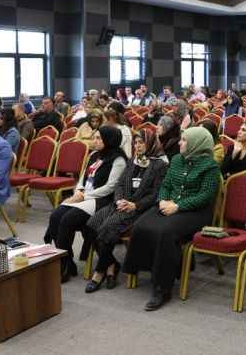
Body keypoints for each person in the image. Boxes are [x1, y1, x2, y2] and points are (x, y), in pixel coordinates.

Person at [123, 127, 221, 311]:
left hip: (195, 211)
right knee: (141, 225)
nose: (180, 143)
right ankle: (148, 268)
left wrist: (178, 206)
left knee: (165, 232)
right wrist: (162, 200)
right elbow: (166, 184)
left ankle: (162, 287)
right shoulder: (176, 159)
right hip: (168, 204)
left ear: (196, 144)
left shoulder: (211, 166)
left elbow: (205, 196)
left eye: (184, 140)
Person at [83, 130, 169, 292]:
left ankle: (99, 272)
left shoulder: (160, 165)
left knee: (107, 228)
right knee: (90, 225)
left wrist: (135, 205)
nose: (138, 146)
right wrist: (118, 200)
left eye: (141, 142)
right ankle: (111, 265)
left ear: (151, 143)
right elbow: (120, 184)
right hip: (120, 204)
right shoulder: (132, 161)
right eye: (135, 143)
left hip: (139, 209)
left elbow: (155, 194)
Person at [44, 127, 128, 282]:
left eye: (98, 138)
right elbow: (83, 178)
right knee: (55, 216)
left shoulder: (119, 160)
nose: (94, 141)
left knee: (67, 220)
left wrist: (84, 196)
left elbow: (111, 187)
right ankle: (67, 261)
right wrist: (78, 192)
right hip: (84, 197)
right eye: (94, 137)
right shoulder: (94, 155)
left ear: (109, 140)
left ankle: (64, 266)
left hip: (102, 200)